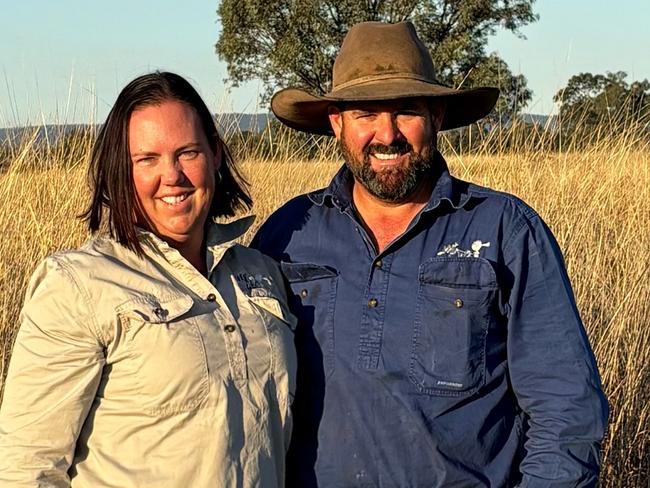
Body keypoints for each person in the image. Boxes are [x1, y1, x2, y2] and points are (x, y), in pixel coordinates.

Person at [252, 21, 608, 487]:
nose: (387, 134)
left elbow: (566, 412)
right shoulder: (286, 235)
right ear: (336, 123)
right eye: (365, 113)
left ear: (436, 116)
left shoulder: (505, 230)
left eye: (406, 111)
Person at [0, 72, 296, 487]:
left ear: (215, 153)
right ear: (122, 171)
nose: (172, 176)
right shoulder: (77, 285)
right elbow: (27, 469)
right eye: (147, 159)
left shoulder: (259, 273)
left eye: (187, 153)